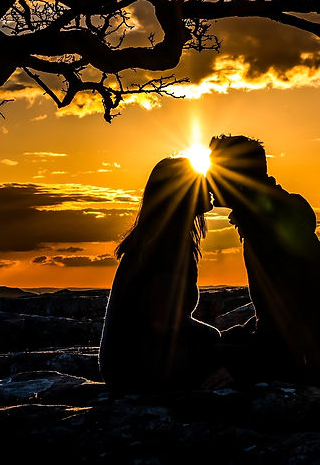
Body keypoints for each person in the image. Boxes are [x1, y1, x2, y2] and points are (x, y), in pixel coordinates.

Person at [208, 135, 320, 393]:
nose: (208, 182)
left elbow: (292, 319)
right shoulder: (271, 213)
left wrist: (239, 366)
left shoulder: (266, 228)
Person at [98, 157, 231, 392]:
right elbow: (164, 324)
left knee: (232, 342)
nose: (209, 185)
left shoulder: (160, 238)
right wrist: (216, 342)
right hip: (138, 371)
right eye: (200, 179)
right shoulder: (167, 244)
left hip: (127, 366)